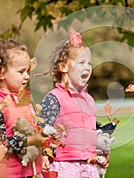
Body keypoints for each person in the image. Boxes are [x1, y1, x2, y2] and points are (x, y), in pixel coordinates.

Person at [0, 39, 47, 178]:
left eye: (27, 71)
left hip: (33, 171)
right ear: (0, 73)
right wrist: (31, 141)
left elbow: (33, 128)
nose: (27, 76)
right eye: (21, 71)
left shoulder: (24, 100)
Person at [39, 29, 99, 178]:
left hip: (89, 165)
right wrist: (45, 154)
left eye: (89, 63)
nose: (87, 67)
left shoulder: (89, 100)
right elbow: (43, 128)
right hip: (64, 164)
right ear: (64, 67)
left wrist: (101, 152)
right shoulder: (54, 98)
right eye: (81, 62)